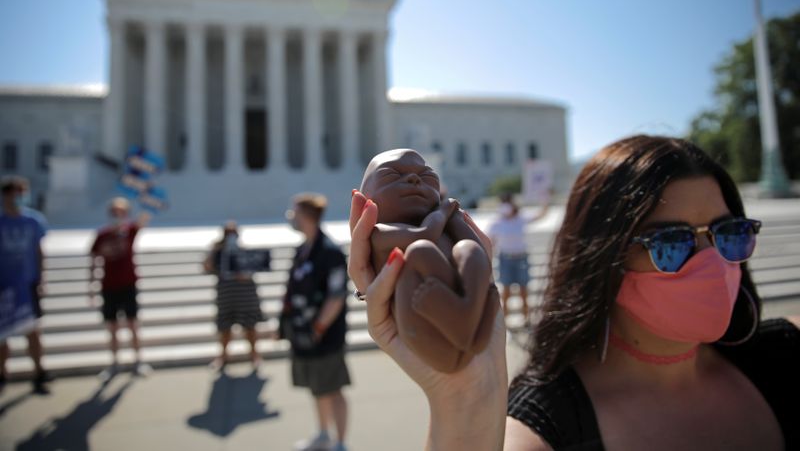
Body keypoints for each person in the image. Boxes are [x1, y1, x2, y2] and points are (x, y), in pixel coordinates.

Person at [348, 135, 799, 450]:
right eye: (671, 243)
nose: (711, 261)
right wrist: (465, 395)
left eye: (729, 233)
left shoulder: (784, 353)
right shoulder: (548, 427)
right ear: (602, 257)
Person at [281, 193, 350, 451]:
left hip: (325, 336)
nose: (291, 217)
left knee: (333, 388)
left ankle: (341, 442)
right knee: (317, 387)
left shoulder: (330, 252)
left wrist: (319, 326)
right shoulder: (303, 249)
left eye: (294, 212)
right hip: (303, 334)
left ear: (307, 216)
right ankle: (323, 434)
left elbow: (336, 295)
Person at [89, 197, 152, 379]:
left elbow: (144, 217)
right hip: (109, 286)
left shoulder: (130, 231)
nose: (118, 216)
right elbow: (94, 260)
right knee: (112, 326)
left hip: (128, 284)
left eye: (122, 212)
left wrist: (144, 192)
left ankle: (138, 361)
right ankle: (114, 363)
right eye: (114, 212)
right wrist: (91, 285)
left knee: (133, 324)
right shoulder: (102, 235)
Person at [0, 175, 51, 394]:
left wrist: (41, 278)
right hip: (3, 286)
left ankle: (39, 373)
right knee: (2, 335)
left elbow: (39, 252)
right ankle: (2, 375)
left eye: (23, 192)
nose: (20, 197)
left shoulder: (34, 220)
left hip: (28, 283)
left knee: (33, 331)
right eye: (16, 192)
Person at [203, 221, 263, 370]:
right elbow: (206, 267)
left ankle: (255, 356)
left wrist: (244, 274)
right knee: (225, 328)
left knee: (250, 327)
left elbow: (255, 269)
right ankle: (223, 357)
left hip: (245, 295)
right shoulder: (218, 253)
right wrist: (213, 250)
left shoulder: (244, 252)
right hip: (226, 295)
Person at [486, 194, 549, 321]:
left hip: (521, 259)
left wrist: (545, 200)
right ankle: (505, 321)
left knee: (524, 292)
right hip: (505, 259)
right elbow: (490, 242)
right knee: (506, 292)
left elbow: (541, 215)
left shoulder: (521, 218)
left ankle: (526, 319)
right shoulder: (496, 222)